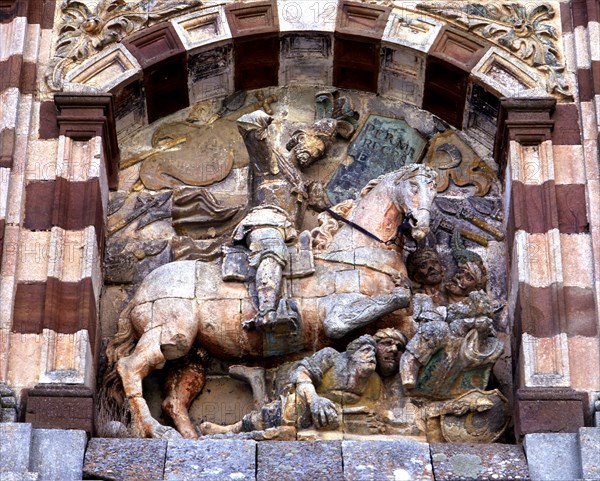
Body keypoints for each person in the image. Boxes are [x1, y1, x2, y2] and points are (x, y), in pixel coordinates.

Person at [233, 110, 337, 331]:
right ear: (299, 138)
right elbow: (248, 125)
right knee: (272, 249)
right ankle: (267, 311)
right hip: (265, 222)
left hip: (289, 232)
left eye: (319, 153)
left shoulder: (303, 181)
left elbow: (326, 208)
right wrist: (263, 120)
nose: (314, 154)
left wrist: (319, 198)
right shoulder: (272, 160)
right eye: (313, 145)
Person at [199, 335, 380, 435]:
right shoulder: (331, 356)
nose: (370, 356)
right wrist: (314, 399)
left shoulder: (374, 383)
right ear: (350, 355)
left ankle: (257, 381)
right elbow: (301, 373)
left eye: (373, 353)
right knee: (279, 412)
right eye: (365, 351)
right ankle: (231, 429)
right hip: (303, 397)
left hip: (334, 415)